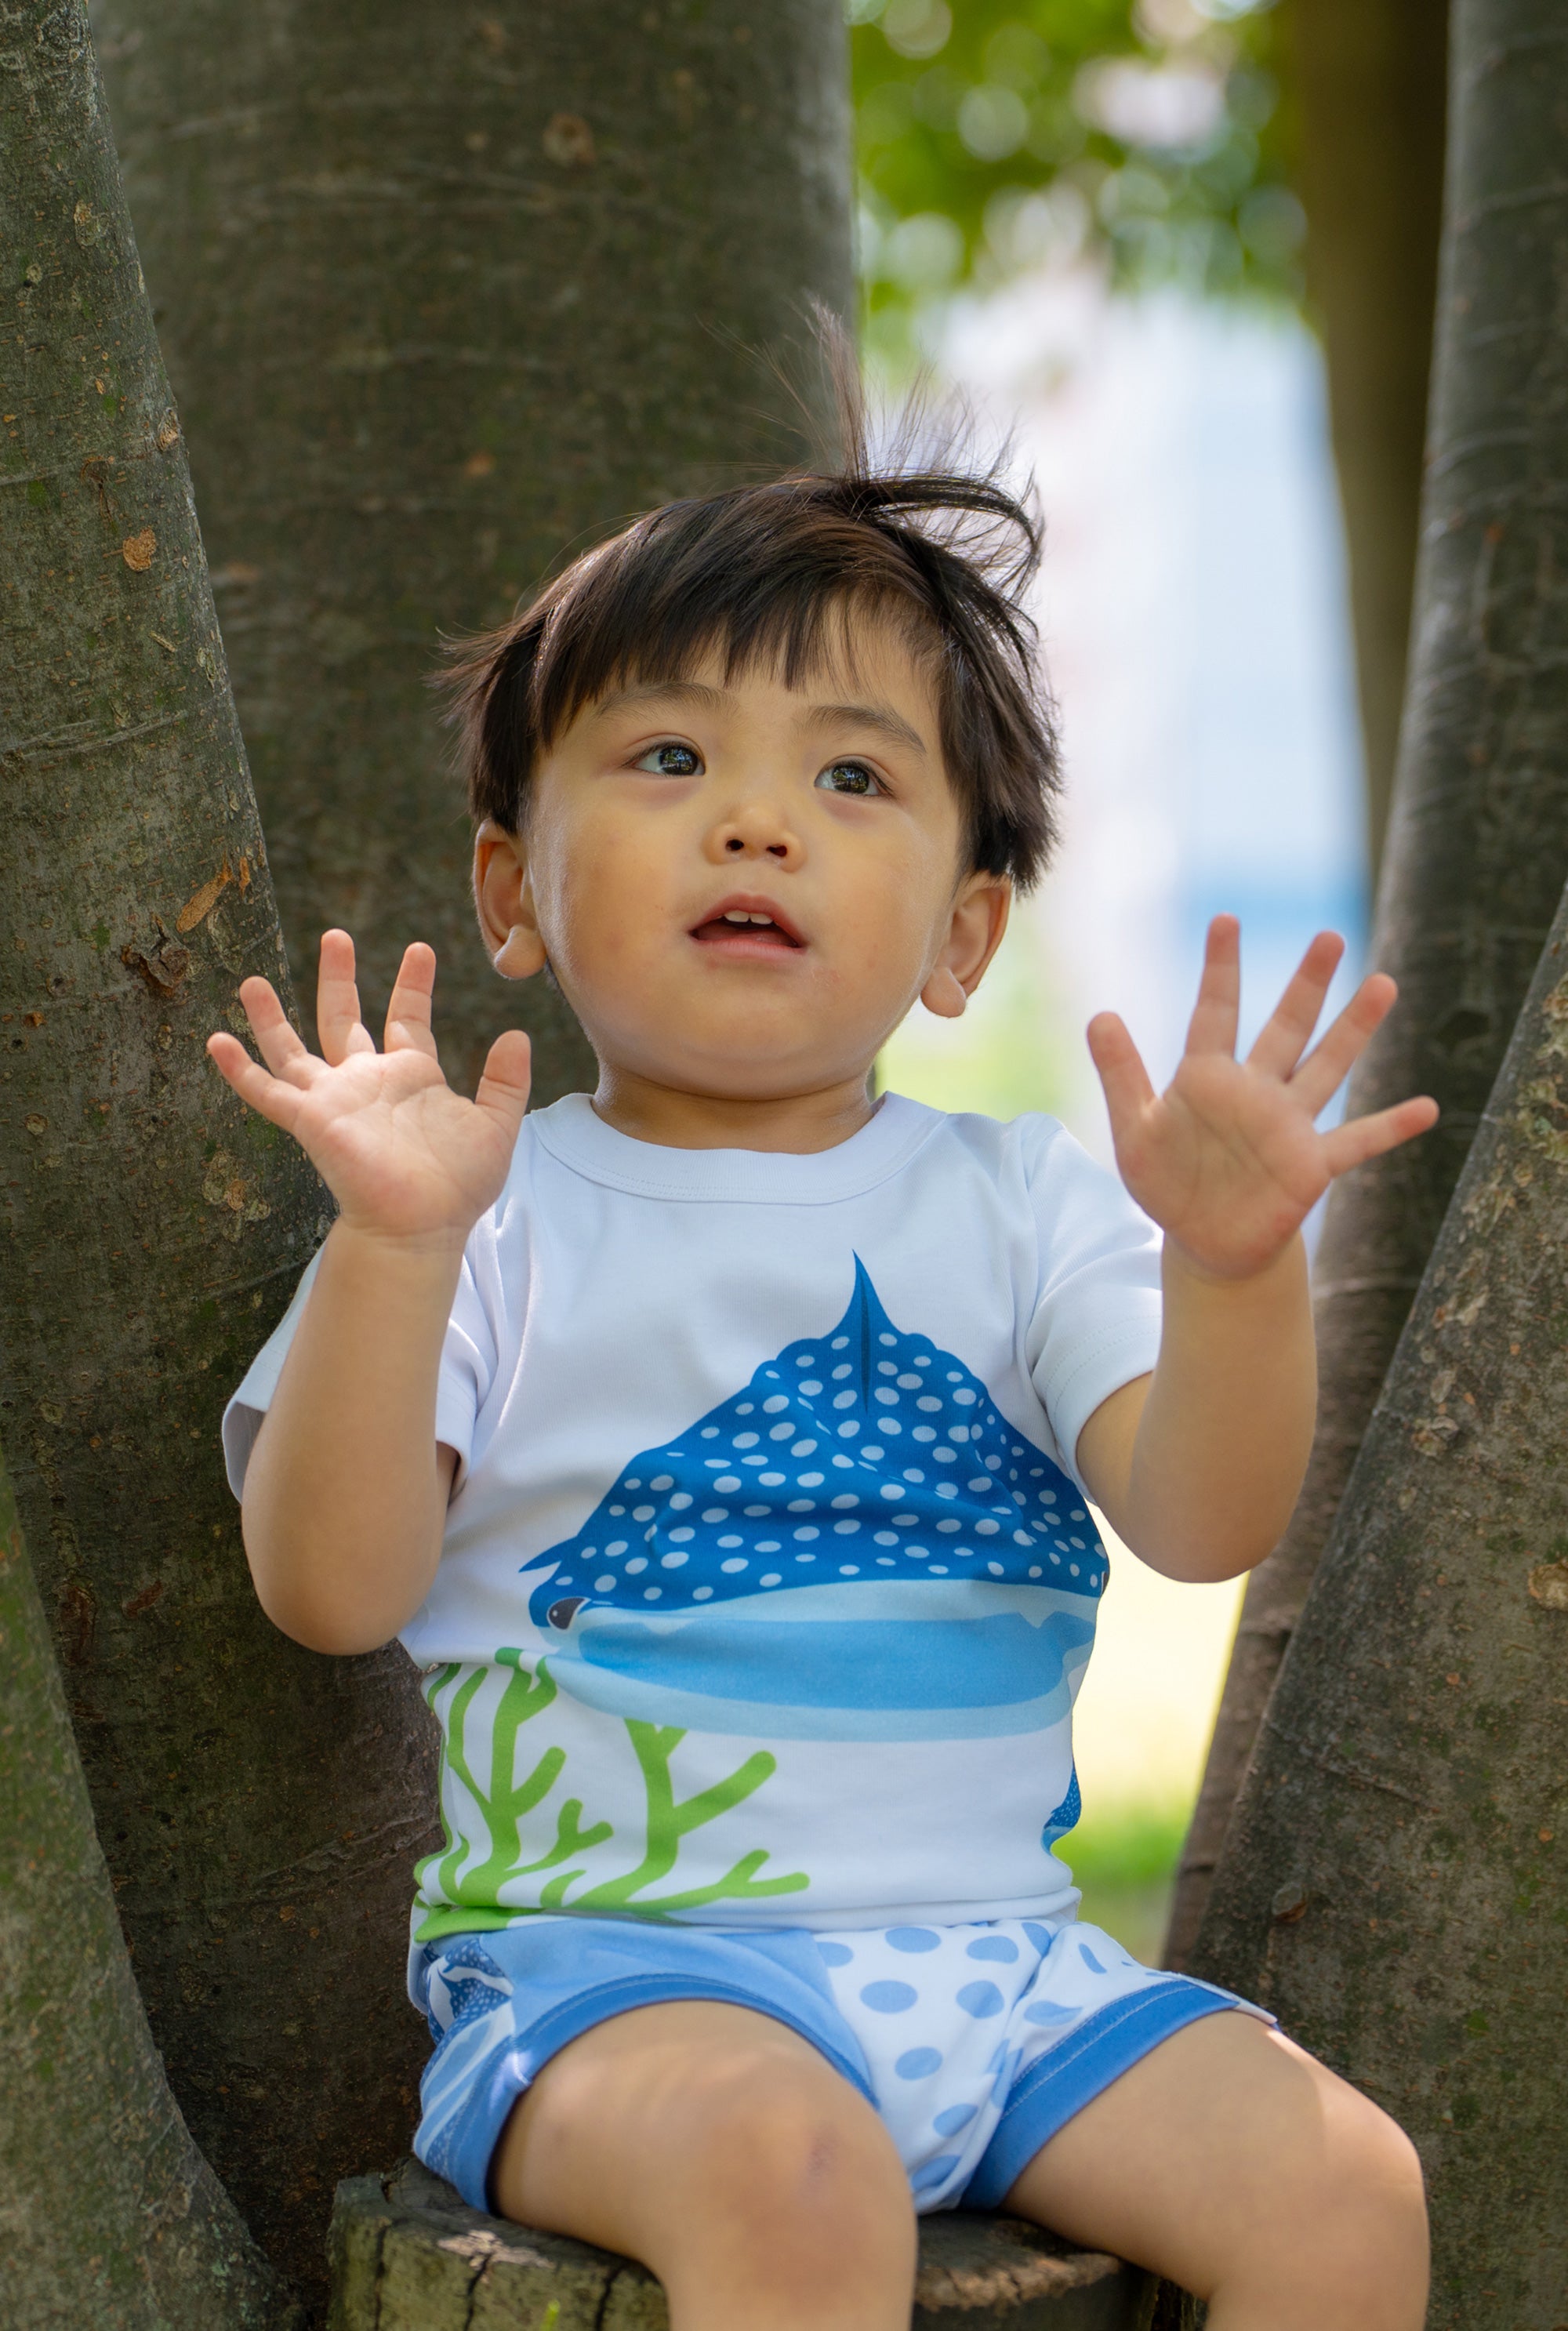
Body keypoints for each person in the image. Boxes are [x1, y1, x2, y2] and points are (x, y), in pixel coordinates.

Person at [213, 415, 1434, 2330]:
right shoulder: (484, 1209)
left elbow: (1207, 1519)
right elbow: (329, 1586)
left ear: (963, 935)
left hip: (1013, 1982)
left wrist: (1230, 1270)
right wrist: (388, 1244)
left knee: (1344, 2186)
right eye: (671, 756)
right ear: (515, 890)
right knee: (792, 2177)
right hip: (616, 1989)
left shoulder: (1026, 1201)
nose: (755, 820)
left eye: (851, 774)